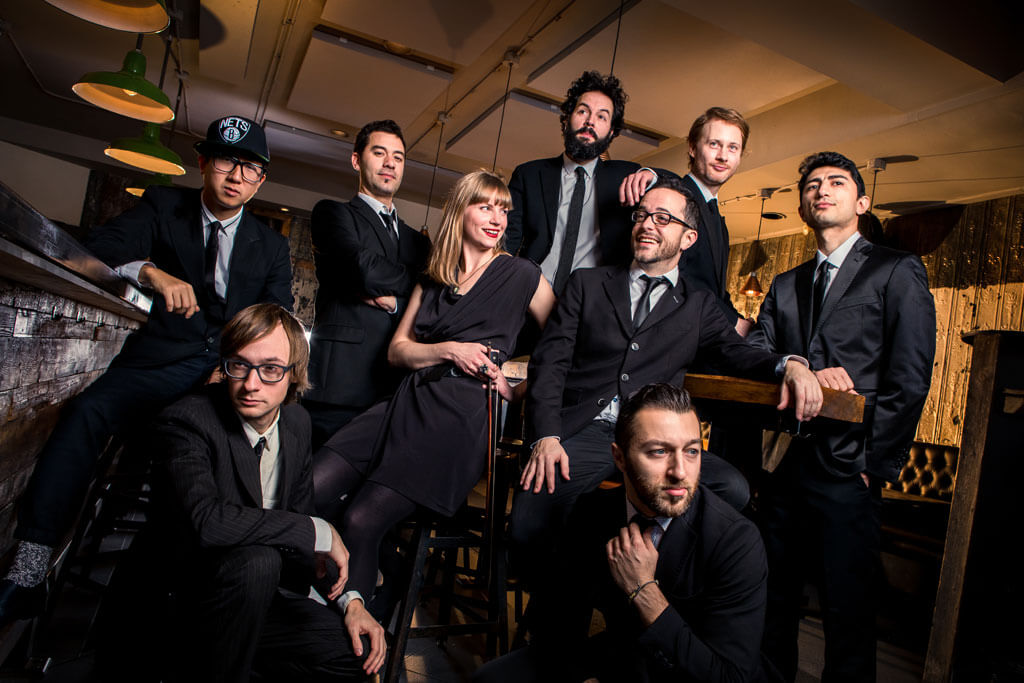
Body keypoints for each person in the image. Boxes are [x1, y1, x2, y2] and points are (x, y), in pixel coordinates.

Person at [0, 115, 293, 624]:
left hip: (225, 370)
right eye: (226, 161)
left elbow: (277, 317)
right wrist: (152, 272)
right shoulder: (164, 205)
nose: (236, 176)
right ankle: (29, 567)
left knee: (212, 453)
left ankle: (195, 588)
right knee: (88, 412)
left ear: (261, 180)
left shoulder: (270, 245)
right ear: (203, 163)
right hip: (160, 359)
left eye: (250, 168)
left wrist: (235, 367)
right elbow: (98, 247)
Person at [509, 175, 822, 586]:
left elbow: (738, 353)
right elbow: (550, 364)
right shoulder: (587, 284)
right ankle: (571, 595)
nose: (646, 224)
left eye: (662, 218)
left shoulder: (699, 304)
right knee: (531, 521)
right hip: (582, 430)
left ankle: (648, 576)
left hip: (653, 438)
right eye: (641, 215)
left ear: (688, 238)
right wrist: (546, 437)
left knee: (733, 488)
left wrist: (791, 364)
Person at [311, 170, 556, 607]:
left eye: (503, 210)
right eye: (485, 206)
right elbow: (397, 351)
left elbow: (565, 346)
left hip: (459, 415)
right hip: (405, 400)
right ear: (460, 211)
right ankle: (383, 577)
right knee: (310, 486)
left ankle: (357, 627)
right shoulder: (433, 276)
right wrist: (449, 350)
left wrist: (519, 390)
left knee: (362, 519)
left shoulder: (522, 274)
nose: (497, 218)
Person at [748, 151, 935, 682]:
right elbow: (757, 350)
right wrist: (798, 364)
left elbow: (910, 377)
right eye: (811, 185)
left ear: (862, 202)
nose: (821, 190)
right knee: (773, 607)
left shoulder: (896, 269)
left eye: (835, 182)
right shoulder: (785, 284)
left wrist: (874, 465)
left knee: (847, 615)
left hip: (851, 470)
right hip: (783, 467)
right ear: (802, 207)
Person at [474, 384, 770, 683]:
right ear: (619, 458)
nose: (680, 471)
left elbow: (729, 676)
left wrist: (643, 590)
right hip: (622, 658)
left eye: (692, 451)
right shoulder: (593, 512)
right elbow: (560, 625)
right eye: (659, 452)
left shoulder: (736, 540)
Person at [150, 304, 384, 682]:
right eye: (239, 366)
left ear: (294, 374)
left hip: (258, 605)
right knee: (260, 561)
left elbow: (302, 540)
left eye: (271, 369)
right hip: (187, 604)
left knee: (355, 654)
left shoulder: (297, 423)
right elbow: (206, 523)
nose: (251, 384)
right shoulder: (189, 420)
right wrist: (316, 530)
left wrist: (350, 602)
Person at [304, 120, 431, 448]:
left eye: (398, 157)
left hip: (398, 393)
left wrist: (396, 302)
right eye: (379, 153)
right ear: (356, 160)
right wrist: (415, 284)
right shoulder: (332, 214)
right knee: (317, 477)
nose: (390, 163)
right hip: (338, 390)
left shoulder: (419, 243)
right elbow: (362, 270)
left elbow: (433, 300)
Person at [504, 70, 674, 296]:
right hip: (531, 296)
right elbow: (505, 243)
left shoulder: (624, 176)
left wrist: (651, 175)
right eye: (583, 111)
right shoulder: (529, 175)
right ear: (566, 119)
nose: (590, 121)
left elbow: (682, 185)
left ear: (611, 132)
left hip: (593, 303)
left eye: (602, 117)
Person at [623, 107, 751, 334]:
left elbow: (715, 289)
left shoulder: (718, 220)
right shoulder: (674, 199)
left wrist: (742, 322)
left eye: (733, 147)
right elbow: (675, 275)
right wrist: (733, 322)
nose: (723, 156)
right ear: (692, 148)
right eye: (714, 144)